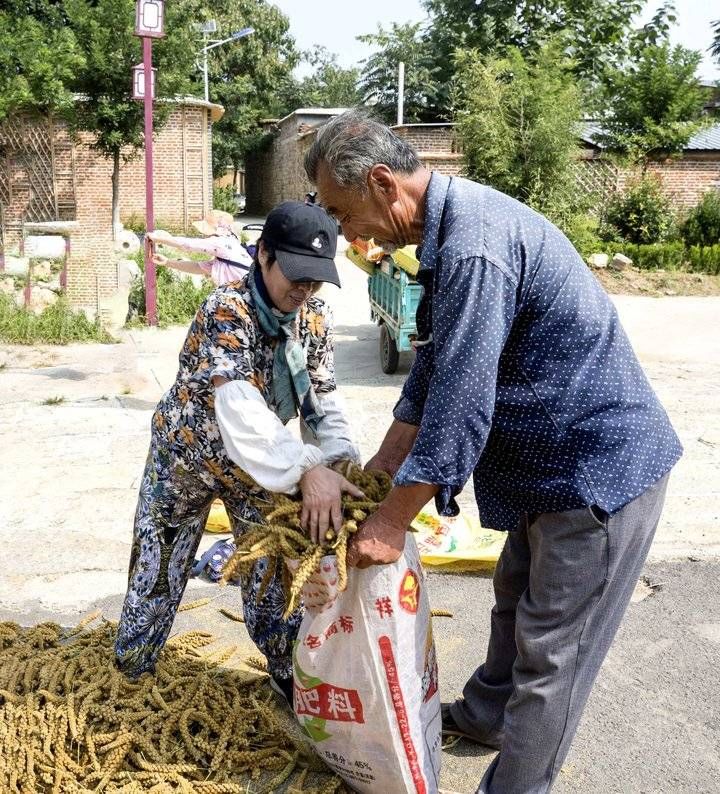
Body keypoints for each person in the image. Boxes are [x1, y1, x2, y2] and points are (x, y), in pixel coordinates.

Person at [304, 111, 682, 794]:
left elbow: (462, 400)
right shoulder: (447, 239)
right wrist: (380, 472)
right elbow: (430, 375)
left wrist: (391, 523)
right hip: (546, 468)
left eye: (341, 210)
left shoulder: (476, 247)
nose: (342, 231)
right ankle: (485, 716)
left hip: (594, 473)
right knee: (512, 598)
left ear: (384, 183)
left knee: (553, 657)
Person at [115, 201, 363, 702]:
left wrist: (338, 460)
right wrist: (305, 467)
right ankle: (130, 681)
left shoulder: (312, 317)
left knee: (275, 584)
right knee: (158, 572)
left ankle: (297, 687)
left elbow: (321, 398)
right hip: (186, 460)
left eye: (315, 279)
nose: (304, 289)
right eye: (295, 275)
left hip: (257, 471)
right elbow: (239, 407)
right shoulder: (226, 311)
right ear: (263, 255)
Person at [146, 209, 253, 286]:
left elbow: (188, 244)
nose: (203, 234)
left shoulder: (220, 243)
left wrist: (158, 239)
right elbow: (198, 267)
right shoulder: (228, 249)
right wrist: (167, 262)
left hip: (244, 296)